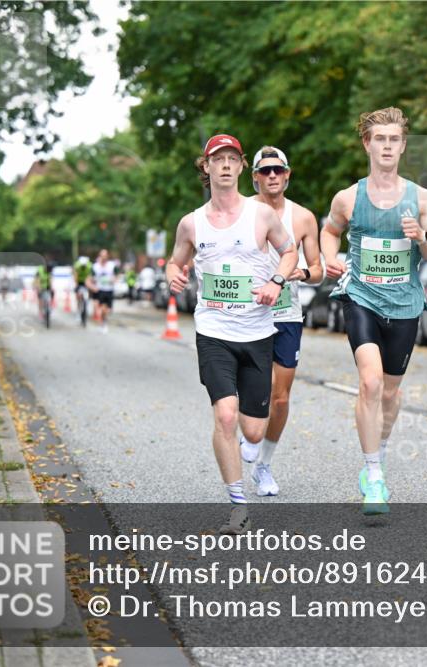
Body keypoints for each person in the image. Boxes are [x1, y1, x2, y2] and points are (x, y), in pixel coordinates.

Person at [167, 133, 297, 534]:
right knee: (225, 415)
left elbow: (290, 251)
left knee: (253, 428)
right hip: (214, 331)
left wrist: (276, 280)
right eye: (216, 159)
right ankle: (238, 504)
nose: (224, 165)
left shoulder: (262, 216)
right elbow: (176, 262)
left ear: (242, 167)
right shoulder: (191, 223)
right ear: (205, 168)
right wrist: (173, 273)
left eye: (231, 159)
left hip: (258, 332)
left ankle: (250, 453)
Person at [322, 106, 427, 515]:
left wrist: (422, 236)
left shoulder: (421, 197)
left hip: (405, 303)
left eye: (394, 139)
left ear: (403, 145)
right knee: (371, 384)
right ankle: (373, 475)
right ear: (367, 145)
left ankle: (381, 447)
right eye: (380, 139)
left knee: (390, 392)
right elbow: (329, 231)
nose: (387, 146)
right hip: (361, 297)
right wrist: (329, 259)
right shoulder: (349, 197)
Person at [239, 146, 323, 496]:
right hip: (247, 313)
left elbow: (317, 271)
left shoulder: (303, 217)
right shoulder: (239, 212)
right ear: (255, 177)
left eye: (278, 170)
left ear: (287, 175)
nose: (272, 176)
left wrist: (299, 273)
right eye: (265, 171)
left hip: (287, 314)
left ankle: (264, 467)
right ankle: (250, 430)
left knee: (281, 398)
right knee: (251, 388)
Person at [87, 249, 118, 333]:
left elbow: (116, 277)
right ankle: (102, 324)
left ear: (108, 256)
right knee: (98, 308)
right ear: (99, 256)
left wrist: (114, 280)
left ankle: (103, 322)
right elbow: (89, 279)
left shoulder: (112, 266)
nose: (103, 257)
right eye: (102, 255)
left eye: (105, 256)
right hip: (98, 290)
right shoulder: (95, 267)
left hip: (109, 290)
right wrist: (92, 287)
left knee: (106, 310)